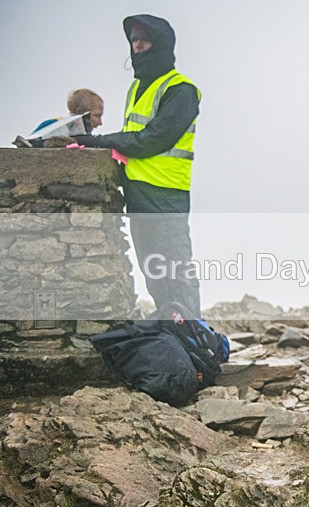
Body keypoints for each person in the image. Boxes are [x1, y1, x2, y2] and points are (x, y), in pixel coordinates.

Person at [73, 14, 201, 316]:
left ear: (161, 43)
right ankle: (175, 344)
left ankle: (197, 347)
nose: (138, 45)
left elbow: (150, 140)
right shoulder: (137, 88)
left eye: (145, 38)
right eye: (134, 39)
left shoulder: (181, 90)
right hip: (138, 192)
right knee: (156, 278)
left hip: (165, 195)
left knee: (176, 276)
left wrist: (100, 141)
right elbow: (132, 140)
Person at [30, 88, 105, 135]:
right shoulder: (50, 126)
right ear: (80, 112)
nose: (100, 123)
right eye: (97, 116)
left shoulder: (88, 138)